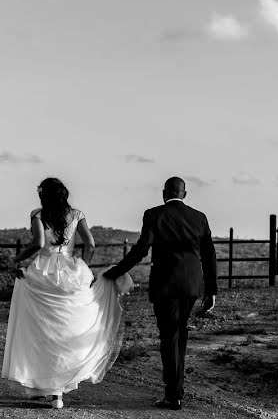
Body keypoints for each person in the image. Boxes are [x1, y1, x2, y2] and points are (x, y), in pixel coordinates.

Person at [2, 177, 132, 409]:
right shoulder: (78, 214)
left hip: (43, 271)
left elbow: (38, 243)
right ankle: (56, 394)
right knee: (66, 330)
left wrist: (16, 259)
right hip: (71, 270)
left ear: (44, 195)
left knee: (40, 330)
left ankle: (41, 386)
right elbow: (90, 245)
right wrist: (84, 267)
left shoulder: (38, 214)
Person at [103, 176, 217, 411]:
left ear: (164, 193)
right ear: (185, 194)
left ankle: (173, 395)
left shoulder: (153, 215)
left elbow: (141, 249)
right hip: (192, 286)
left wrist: (117, 271)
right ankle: (177, 391)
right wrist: (211, 291)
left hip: (165, 285)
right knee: (180, 334)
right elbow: (209, 255)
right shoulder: (200, 218)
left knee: (169, 337)